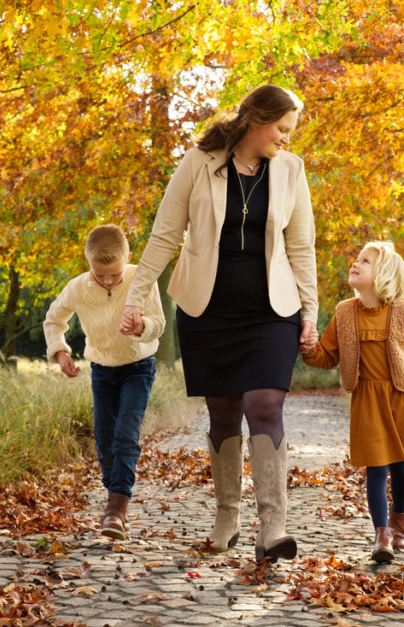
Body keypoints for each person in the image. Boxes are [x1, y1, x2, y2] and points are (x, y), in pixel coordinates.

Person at [120, 85, 318, 562]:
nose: (287, 140)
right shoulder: (197, 162)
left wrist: (309, 311)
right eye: (283, 129)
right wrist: (135, 297)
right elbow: (165, 235)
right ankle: (227, 516)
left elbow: (301, 246)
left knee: (265, 404)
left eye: (292, 132)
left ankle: (273, 527)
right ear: (256, 119)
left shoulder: (291, 170)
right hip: (208, 313)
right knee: (224, 413)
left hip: (273, 312)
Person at [300, 241, 404, 562]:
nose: (355, 263)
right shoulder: (344, 313)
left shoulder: (402, 312)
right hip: (367, 400)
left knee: (401, 466)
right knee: (376, 470)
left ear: (385, 276)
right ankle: (382, 536)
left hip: (401, 398)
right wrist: (309, 347)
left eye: (365, 261)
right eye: (357, 259)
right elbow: (327, 356)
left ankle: (399, 520)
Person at [44, 224, 165, 540]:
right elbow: (54, 320)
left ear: (127, 258)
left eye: (115, 274)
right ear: (89, 264)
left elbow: (160, 324)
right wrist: (60, 352)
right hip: (101, 370)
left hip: (138, 368)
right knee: (104, 438)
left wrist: (142, 326)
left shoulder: (141, 280)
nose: (109, 280)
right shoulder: (77, 288)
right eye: (101, 275)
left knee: (126, 433)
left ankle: (117, 507)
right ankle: (115, 496)